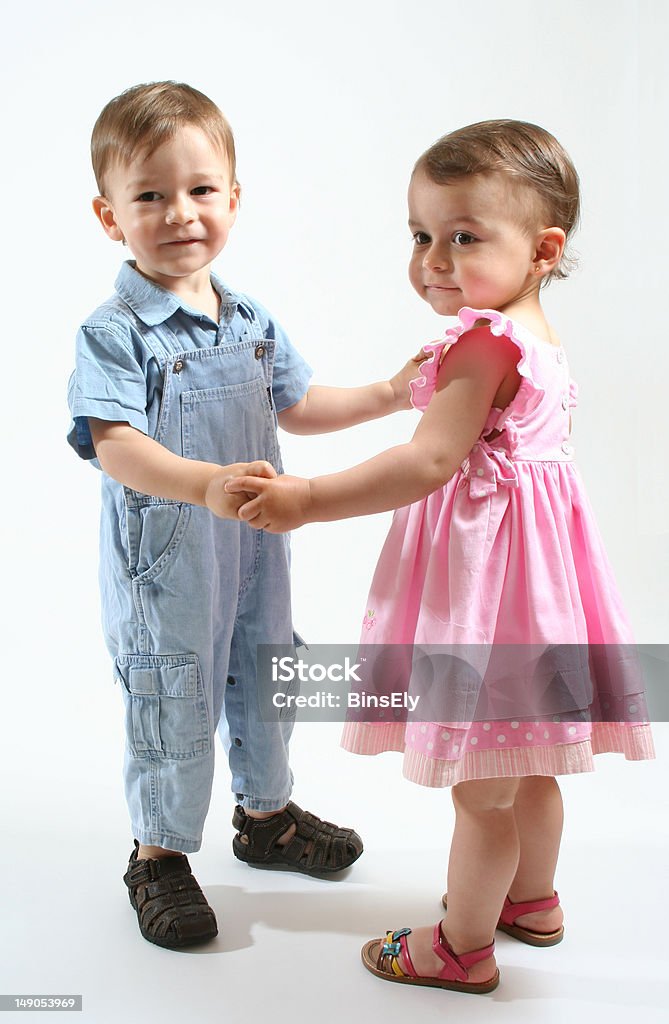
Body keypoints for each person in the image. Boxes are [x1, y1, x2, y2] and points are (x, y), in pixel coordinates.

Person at [224, 119, 656, 993]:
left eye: (463, 237)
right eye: (420, 235)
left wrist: (308, 499)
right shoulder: (536, 335)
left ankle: (460, 947)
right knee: (529, 758)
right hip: (541, 591)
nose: (432, 257)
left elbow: (426, 461)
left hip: (490, 593)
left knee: (482, 784)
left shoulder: (483, 342)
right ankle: (530, 900)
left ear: (541, 247)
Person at [67, 81, 422, 950]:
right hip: (171, 554)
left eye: (199, 190)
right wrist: (195, 484)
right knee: (175, 690)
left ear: (233, 197)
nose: (179, 213)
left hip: (258, 547)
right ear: (110, 216)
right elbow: (112, 442)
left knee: (269, 676)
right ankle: (157, 855)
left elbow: (297, 405)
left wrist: (386, 393)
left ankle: (266, 818)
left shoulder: (252, 318)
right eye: (148, 195)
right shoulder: (116, 332)